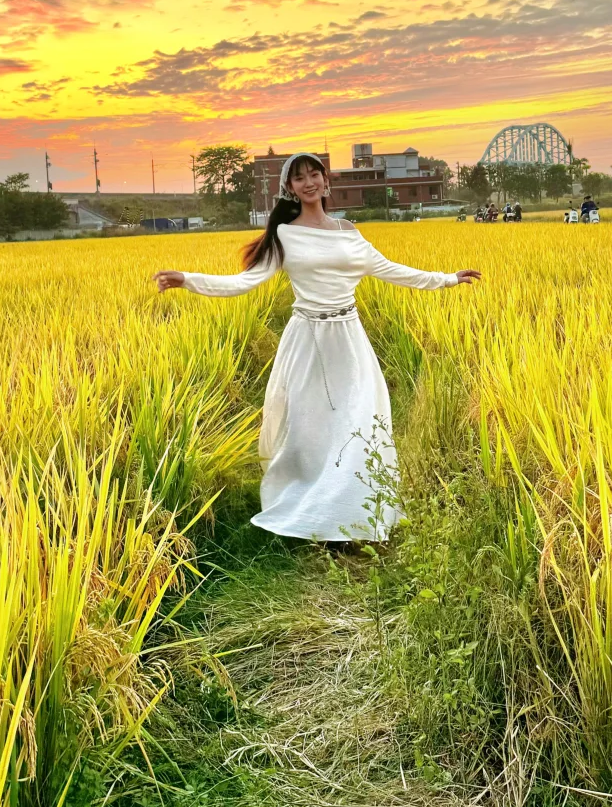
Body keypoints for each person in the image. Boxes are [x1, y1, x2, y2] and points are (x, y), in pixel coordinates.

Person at [154, 152, 481, 543]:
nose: (308, 182)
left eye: (314, 174)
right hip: (306, 341)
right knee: (309, 427)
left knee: (356, 421)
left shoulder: (349, 233)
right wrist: (187, 279)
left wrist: (446, 279)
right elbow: (243, 282)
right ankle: (311, 509)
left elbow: (391, 269)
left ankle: (356, 518)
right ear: (289, 188)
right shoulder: (284, 235)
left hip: (349, 339)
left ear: (326, 181)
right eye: (299, 178)